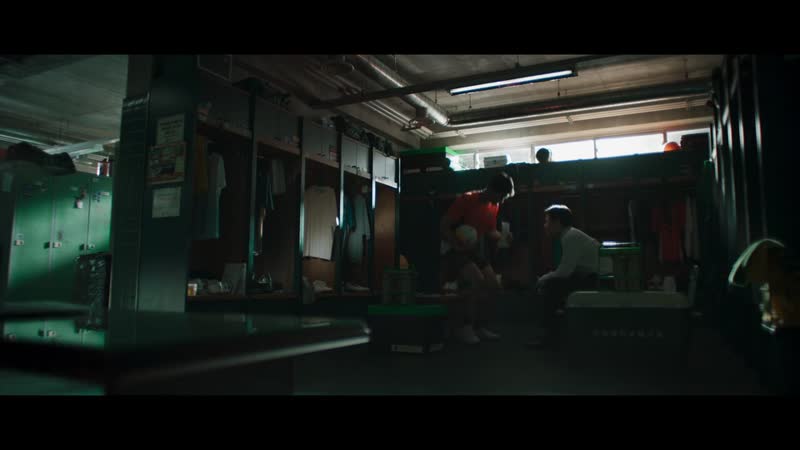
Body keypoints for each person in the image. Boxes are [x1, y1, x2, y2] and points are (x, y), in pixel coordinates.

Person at [440, 172, 515, 344]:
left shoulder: (494, 206)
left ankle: (480, 326)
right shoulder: (466, 200)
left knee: (493, 284)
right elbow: (443, 226)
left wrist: (504, 237)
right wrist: (456, 244)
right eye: (501, 196)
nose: (502, 200)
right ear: (492, 190)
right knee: (477, 280)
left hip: (471, 250)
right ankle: (464, 327)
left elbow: (490, 231)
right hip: (452, 249)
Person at [528, 204, 600, 349]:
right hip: (589, 276)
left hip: (595, 279)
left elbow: (564, 272)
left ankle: (551, 337)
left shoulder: (570, 237)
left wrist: (543, 278)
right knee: (552, 285)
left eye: (547, 221)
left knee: (551, 286)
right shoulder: (570, 235)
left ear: (557, 223)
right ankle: (553, 333)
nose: (545, 226)